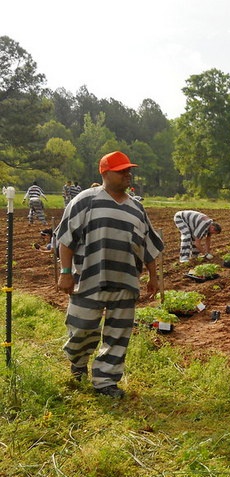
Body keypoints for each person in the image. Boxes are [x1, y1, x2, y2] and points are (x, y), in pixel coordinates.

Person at [55, 151, 164, 398]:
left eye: (129, 170)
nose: (128, 174)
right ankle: (78, 363)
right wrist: (65, 272)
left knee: (118, 333)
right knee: (81, 328)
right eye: (122, 170)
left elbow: (147, 246)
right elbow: (66, 239)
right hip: (88, 278)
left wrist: (153, 278)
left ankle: (106, 382)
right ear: (105, 173)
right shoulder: (85, 200)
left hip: (125, 281)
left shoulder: (137, 208)